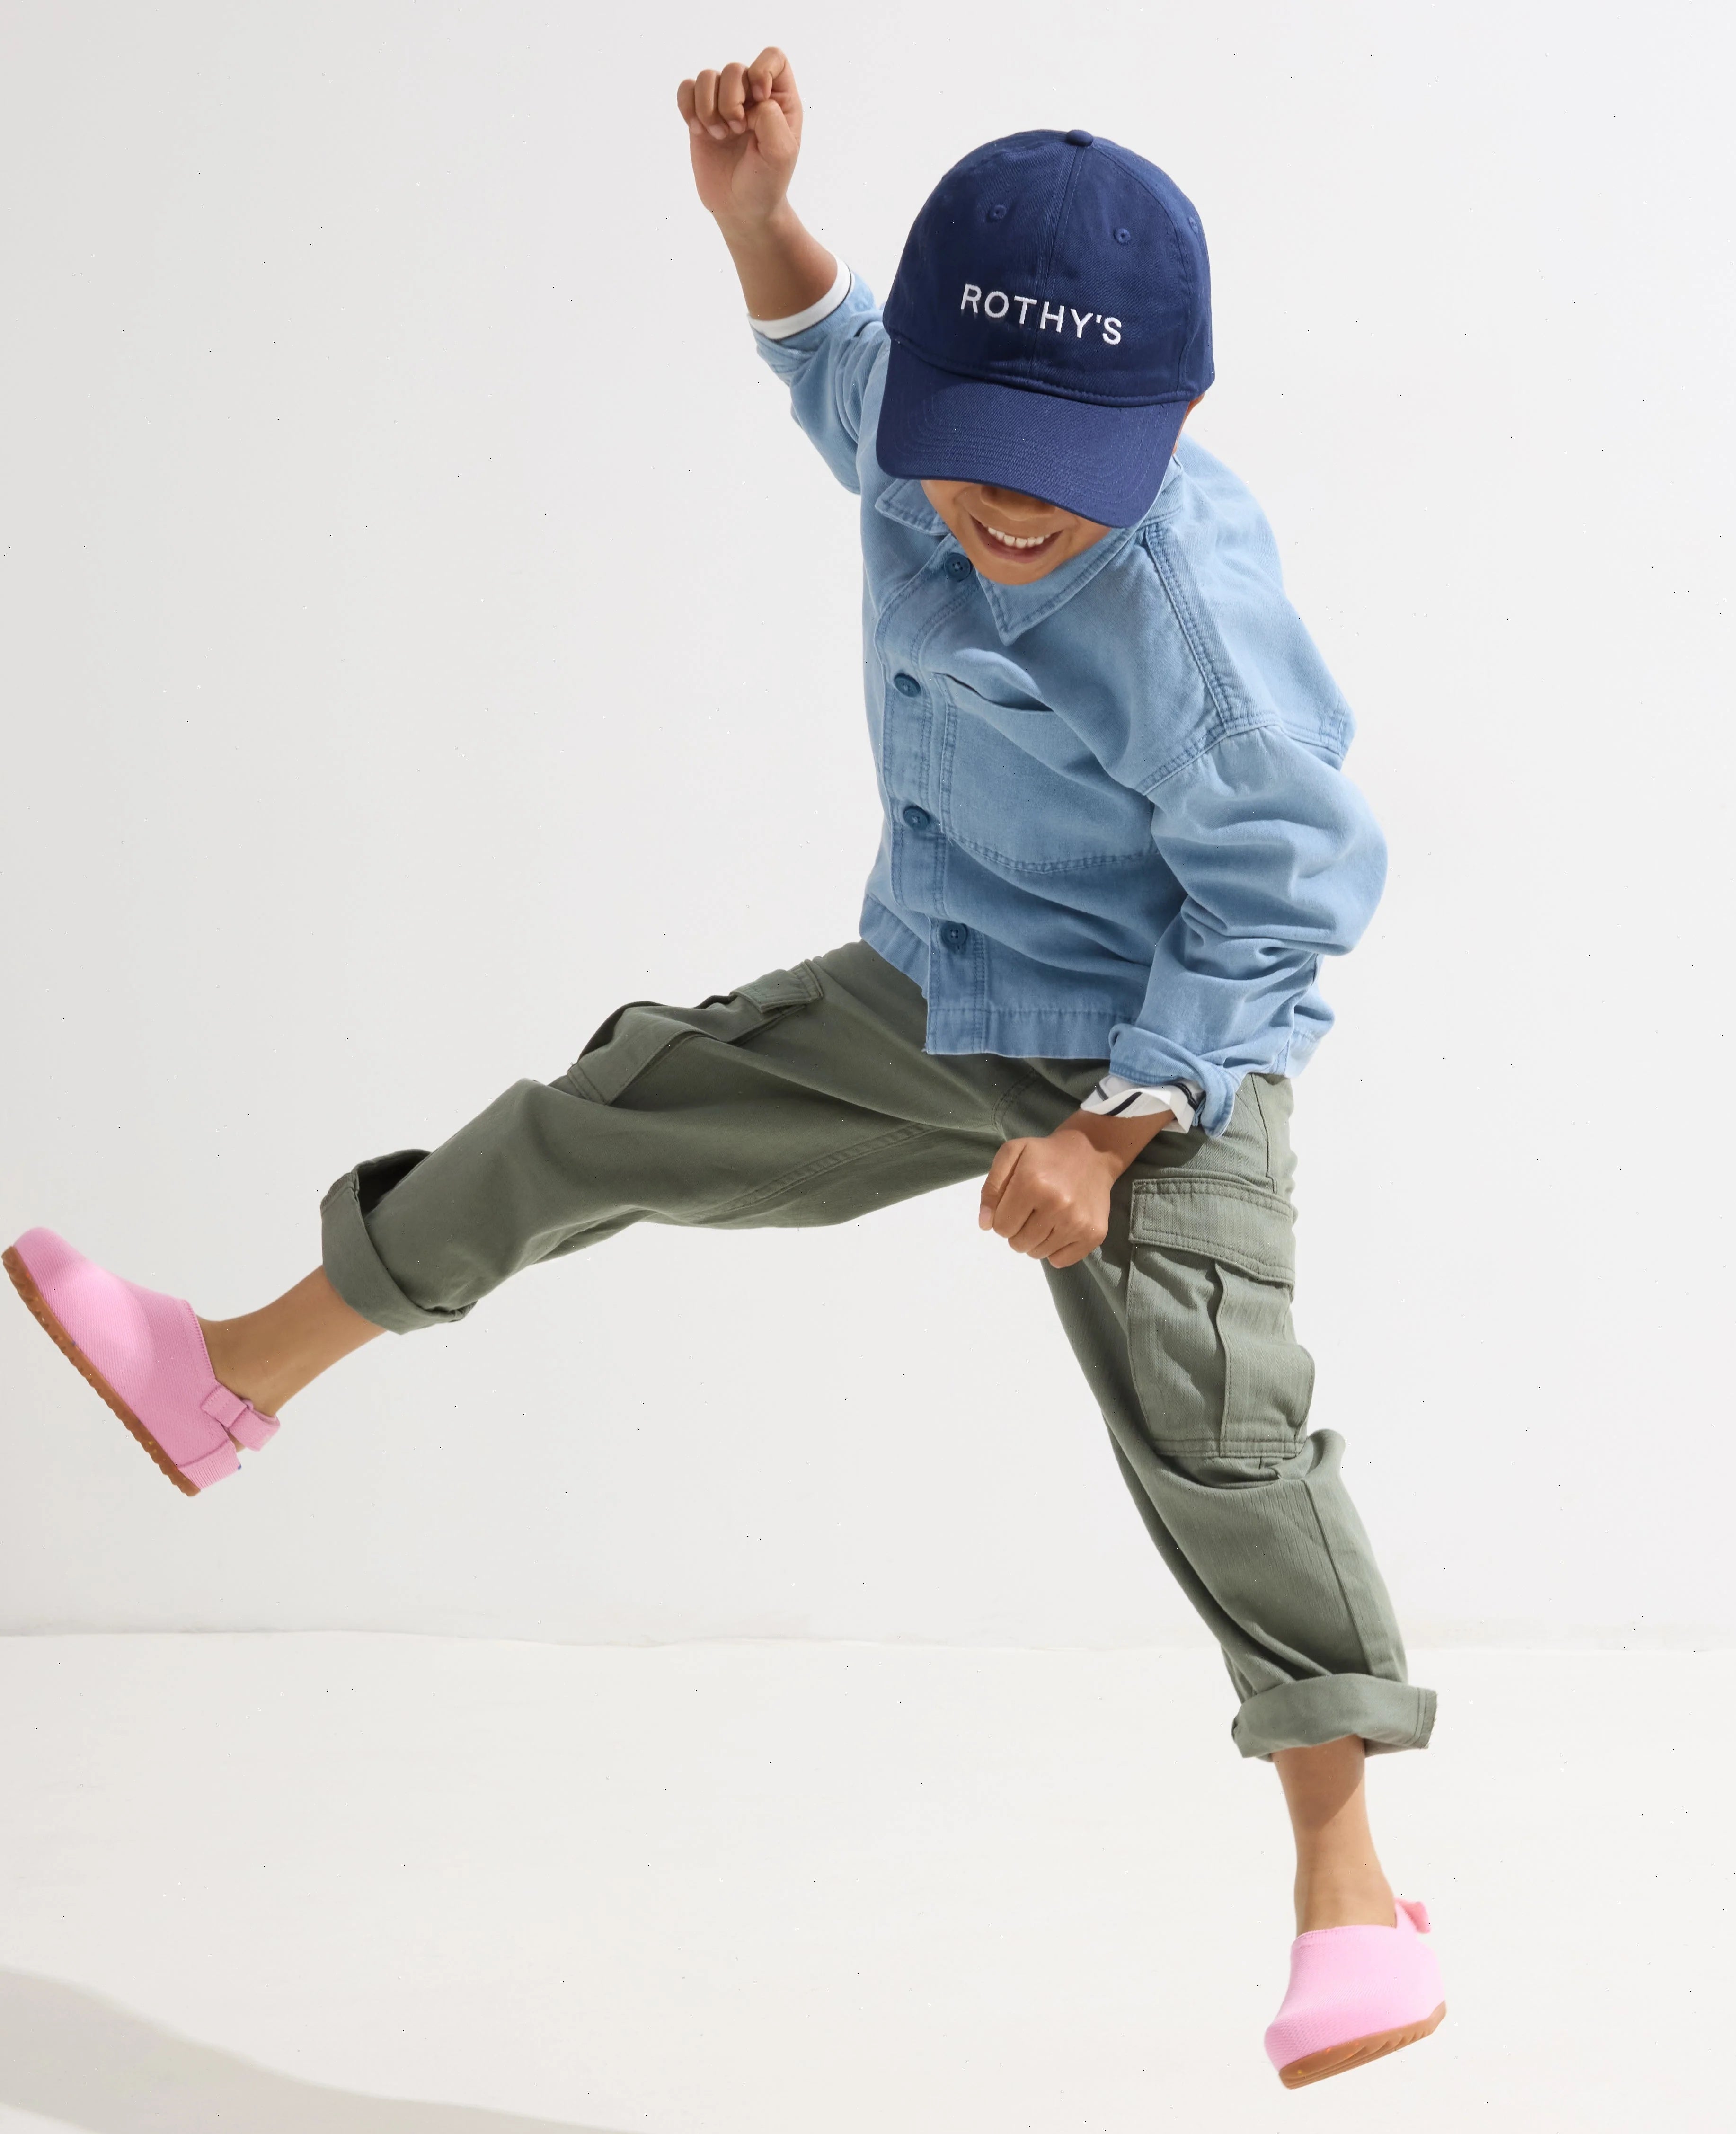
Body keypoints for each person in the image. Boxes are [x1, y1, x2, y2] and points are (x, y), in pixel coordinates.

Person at [4, 48, 1444, 2090]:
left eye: (1061, 469)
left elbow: (1287, 902)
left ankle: (1352, 1890)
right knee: (604, 1116)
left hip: (1158, 1055)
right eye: (974, 446)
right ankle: (226, 1370)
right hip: (932, 996)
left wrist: (1117, 1131)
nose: (1004, 505)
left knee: (1220, 1440)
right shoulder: (916, 443)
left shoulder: (1193, 623)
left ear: (1173, 425)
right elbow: (836, 362)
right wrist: (757, 217)